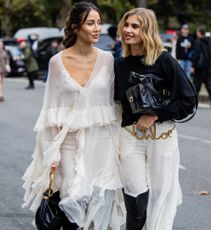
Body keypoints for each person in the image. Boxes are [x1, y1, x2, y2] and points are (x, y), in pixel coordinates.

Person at [22, 2, 125, 229]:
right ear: (77, 27)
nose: (97, 28)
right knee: (72, 194)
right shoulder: (57, 62)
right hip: (68, 141)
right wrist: (51, 155)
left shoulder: (108, 60)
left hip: (102, 140)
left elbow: (115, 104)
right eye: (90, 23)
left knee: (96, 198)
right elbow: (50, 110)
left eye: (99, 23)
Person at [114, 8, 197, 230]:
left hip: (162, 137)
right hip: (130, 137)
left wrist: (156, 115)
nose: (128, 30)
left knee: (160, 196)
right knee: (134, 194)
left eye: (135, 26)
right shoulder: (119, 64)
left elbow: (188, 99)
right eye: (126, 24)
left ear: (147, 30)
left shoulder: (164, 60)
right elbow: (114, 103)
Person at [191, 27, 211, 108]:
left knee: (196, 85)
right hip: (208, 66)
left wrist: (193, 65)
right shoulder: (209, 42)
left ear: (199, 33)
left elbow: (196, 54)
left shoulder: (198, 42)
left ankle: (192, 102)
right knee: (210, 85)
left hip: (200, 67)